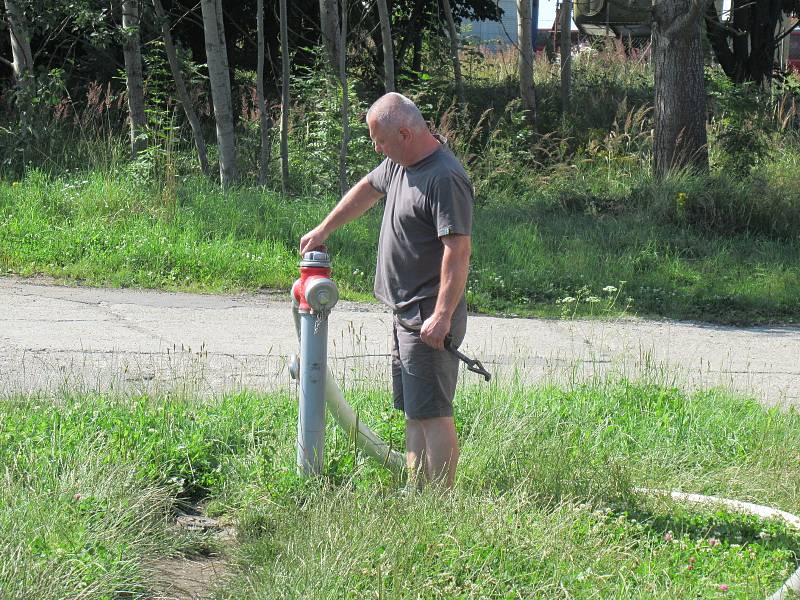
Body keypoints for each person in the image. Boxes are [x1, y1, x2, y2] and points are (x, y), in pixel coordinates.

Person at [300, 92, 473, 488]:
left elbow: (458, 251)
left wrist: (442, 316)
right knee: (414, 411)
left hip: (428, 316)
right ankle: (417, 493)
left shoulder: (444, 177)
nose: (378, 148)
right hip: (404, 312)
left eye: (380, 140)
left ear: (406, 133)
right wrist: (325, 228)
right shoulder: (399, 164)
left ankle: (440, 505)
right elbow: (366, 189)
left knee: (434, 413)